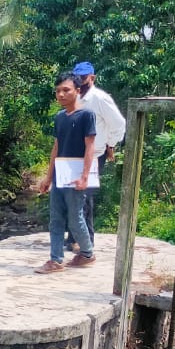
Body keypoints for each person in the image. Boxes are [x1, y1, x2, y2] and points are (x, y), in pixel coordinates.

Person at [36, 74, 98, 274]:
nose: (61, 94)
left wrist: (85, 177)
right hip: (59, 175)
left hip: (76, 175)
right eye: (57, 91)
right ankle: (56, 260)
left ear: (78, 91)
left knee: (75, 218)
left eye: (66, 90)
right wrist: (48, 177)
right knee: (55, 218)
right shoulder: (59, 117)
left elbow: (90, 147)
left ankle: (87, 253)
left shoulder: (86, 116)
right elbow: (56, 147)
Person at [70, 61, 126, 246]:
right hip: (74, 155)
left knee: (84, 196)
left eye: (83, 78)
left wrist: (111, 144)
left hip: (95, 154)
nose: (80, 81)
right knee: (72, 194)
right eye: (77, 77)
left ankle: (87, 241)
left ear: (92, 78)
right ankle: (74, 238)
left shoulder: (100, 99)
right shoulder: (74, 97)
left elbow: (119, 124)